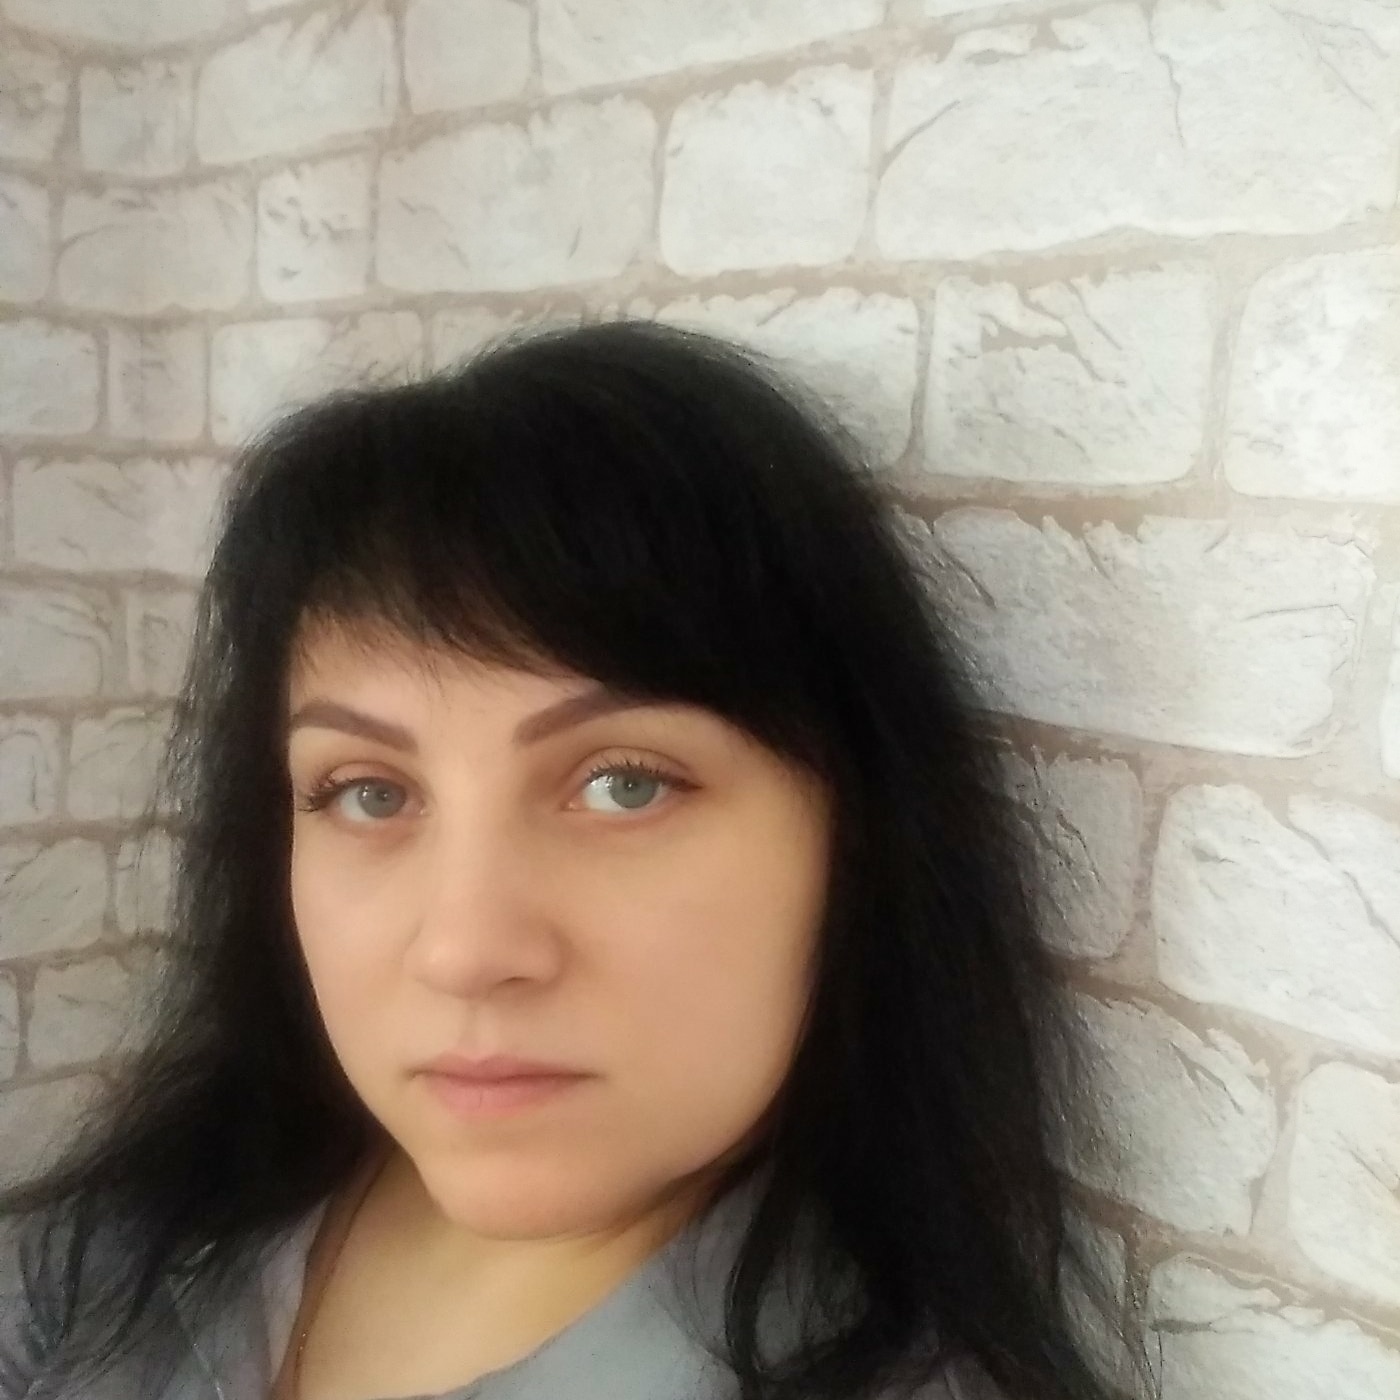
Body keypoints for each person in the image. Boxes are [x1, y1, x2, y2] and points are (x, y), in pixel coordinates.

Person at [0, 321, 1140, 1400]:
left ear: (858, 839)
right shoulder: (116, 1255)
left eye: (624, 783)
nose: (465, 950)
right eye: (369, 792)